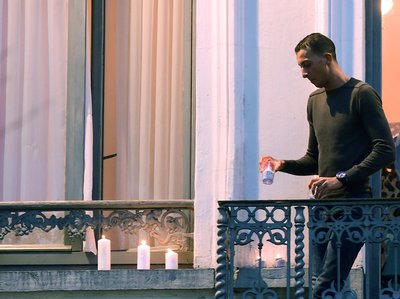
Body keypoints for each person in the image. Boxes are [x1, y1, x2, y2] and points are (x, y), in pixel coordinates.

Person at [259, 33, 395, 298]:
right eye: (300, 65)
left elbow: (385, 150)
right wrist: (281, 164)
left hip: (353, 207)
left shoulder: (362, 94)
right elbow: (314, 158)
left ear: (328, 58)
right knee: (323, 284)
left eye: (307, 64)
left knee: (324, 287)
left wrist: (341, 178)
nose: (303, 73)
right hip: (322, 208)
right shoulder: (314, 101)